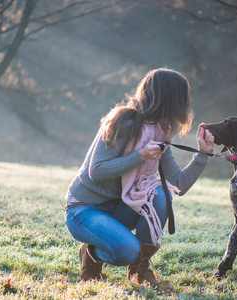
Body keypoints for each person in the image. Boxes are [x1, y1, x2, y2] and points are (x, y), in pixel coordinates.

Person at [64, 68, 214, 286]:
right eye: (183, 96)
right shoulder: (124, 120)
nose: (186, 102)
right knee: (126, 251)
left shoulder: (162, 130)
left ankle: (140, 270)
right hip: (84, 209)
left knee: (162, 195)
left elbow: (178, 184)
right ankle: (90, 254)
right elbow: (96, 171)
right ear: (168, 97)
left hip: (119, 207)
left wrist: (203, 153)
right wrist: (140, 156)